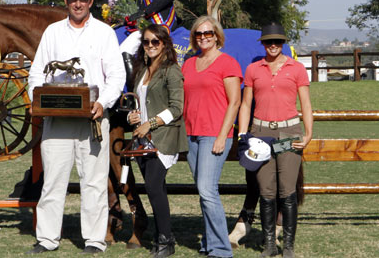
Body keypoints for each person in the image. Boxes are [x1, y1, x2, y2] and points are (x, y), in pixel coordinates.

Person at [26, 0, 126, 254]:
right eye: (73, 0)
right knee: (53, 181)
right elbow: (36, 73)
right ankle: (47, 239)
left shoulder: (105, 33)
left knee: (93, 181)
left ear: (91, 1)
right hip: (56, 121)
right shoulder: (52, 32)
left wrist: (103, 104)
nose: (78, 4)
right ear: (66, 2)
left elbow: (117, 76)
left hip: (92, 120)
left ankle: (94, 240)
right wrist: (35, 99)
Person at [237, 22, 313, 258]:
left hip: (289, 134)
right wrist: (242, 134)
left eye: (277, 41)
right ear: (263, 43)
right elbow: (246, 103)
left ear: (283, 43)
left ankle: (288, 246)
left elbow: (306, 104)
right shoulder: (253, 69)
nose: (273, 46)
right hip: (261, 135)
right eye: (269, 42)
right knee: (266, 191)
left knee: (287, 191)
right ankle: (269, 244)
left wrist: (308, 134)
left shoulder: (297, 68)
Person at [182, 16, 242, 258]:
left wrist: (222, 136)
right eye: (198, 33)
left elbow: (235, 102)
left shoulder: (228, 63)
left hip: (214, 134)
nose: (203, 37)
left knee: (207, 190)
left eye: (208, 33)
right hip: (191, 134)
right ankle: (209, 242)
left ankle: (220, 249)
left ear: (217, 35)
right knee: (203, 190)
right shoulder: (188, 64)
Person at [127, 24, 188, 258]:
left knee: (153, 187)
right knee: (155, 189)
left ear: (164, 44)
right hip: (142, 138)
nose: (150, 45)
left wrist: (149, 124)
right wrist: (132, 116)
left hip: (162, 137)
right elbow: (138, 102)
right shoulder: (142, 70)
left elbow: (177, 108)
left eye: (155, 41)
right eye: (146, 41)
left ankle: (165, 240)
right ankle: (162, 238)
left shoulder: (171, 70)